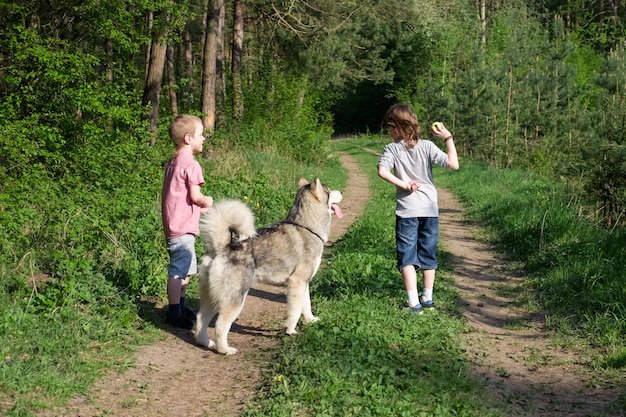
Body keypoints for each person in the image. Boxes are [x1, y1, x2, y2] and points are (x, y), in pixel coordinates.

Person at [377, 104, 459, 315]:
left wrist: (404, 185)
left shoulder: (391, 149)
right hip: (430, 210)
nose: (389, 133)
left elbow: (382, 171)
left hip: (407, 212)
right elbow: (453, 164)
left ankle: (414, 304)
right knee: (428, 254)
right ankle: (428, 299)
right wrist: (448, 138)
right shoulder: (428, 146)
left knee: (407, 257)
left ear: (397, 128)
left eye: (390, 128)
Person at [162, 115, 213, 329]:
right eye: (201, 135)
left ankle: (181, 307)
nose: (204, 139)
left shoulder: (174, 162)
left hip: (176, 223)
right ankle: (174, 312)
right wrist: (206, 200)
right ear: (189, 138)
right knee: (178, 271)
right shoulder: (191, 164)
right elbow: (194, 195)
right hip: (182, 227)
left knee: (185, 270)